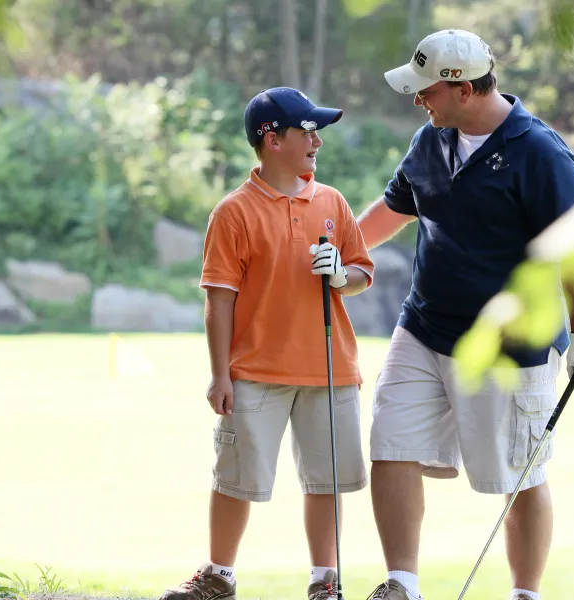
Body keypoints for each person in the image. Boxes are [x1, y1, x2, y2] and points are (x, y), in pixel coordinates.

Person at [356, 30, 574, 600]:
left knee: (519, 475)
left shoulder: (540, 154)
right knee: (390, 443)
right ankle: (402, 585)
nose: (418, 101)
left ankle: (525, 593)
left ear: (462, 89)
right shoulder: (431, 140)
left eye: (426, 92)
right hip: (424, 326)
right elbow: (394, 209)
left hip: (508, 345)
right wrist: (340, 250)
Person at [158, 87, 376, 600]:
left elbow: (364, 272)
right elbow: (219, 299)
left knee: (326, 482)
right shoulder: (233, 213)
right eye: (307, 131)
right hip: (255, 370)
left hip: (329, 368)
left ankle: (325, 582)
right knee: (235, 479)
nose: (317, 141)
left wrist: (343, 275)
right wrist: (220, 373)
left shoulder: (332, 202)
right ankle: (218, 575)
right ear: (272, 139)